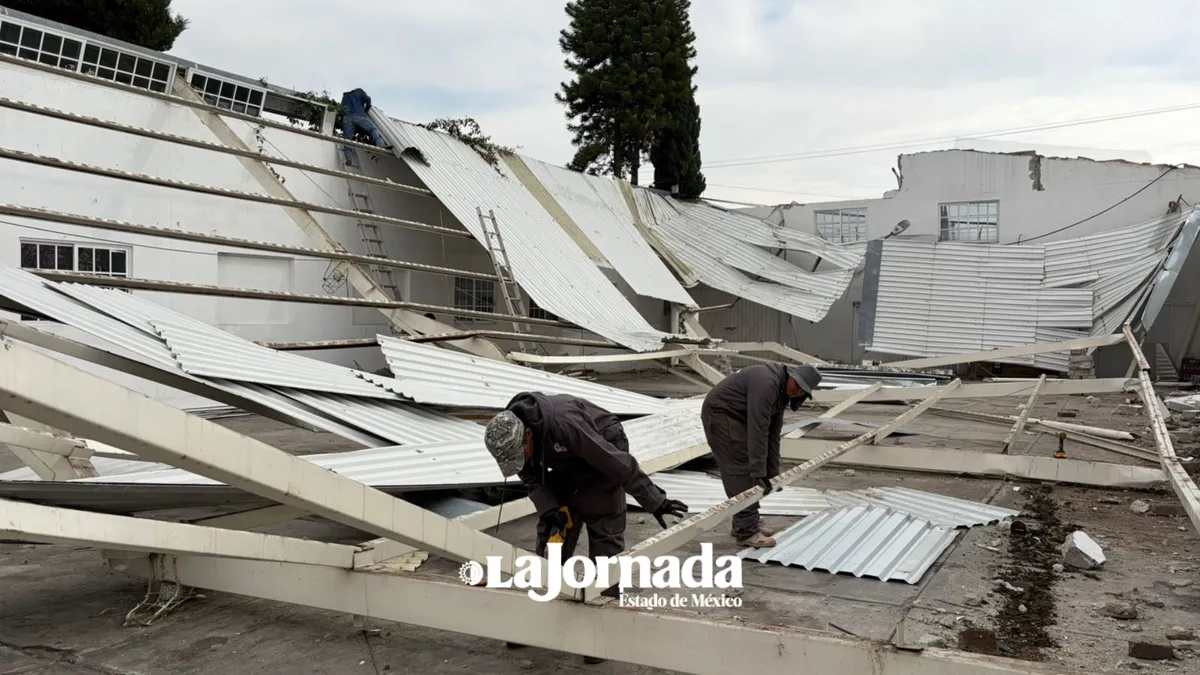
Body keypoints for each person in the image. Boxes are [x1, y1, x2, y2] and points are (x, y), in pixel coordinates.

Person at [485, 392, 688, 665]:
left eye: (518, 455)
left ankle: (601, 629)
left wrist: (654, 500)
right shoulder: (511, 436)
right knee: (552, 537)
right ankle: (538, 613)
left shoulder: (566, 424)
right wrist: (550, 508)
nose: (517, 462)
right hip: (562, 461)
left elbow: (615, 462)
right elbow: (530, 475)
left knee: (604, 531)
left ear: (528, 436)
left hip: (602, 447)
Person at [700, 363, 822, 548]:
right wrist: (758, 470)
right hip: (721, 415)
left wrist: (772, 472)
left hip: (738, 416)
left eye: (802, 391)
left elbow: (773, 434)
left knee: (751, 468)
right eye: (797, 385)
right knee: (740, 468)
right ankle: (747, 531)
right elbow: (758, 428)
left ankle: (746, 522)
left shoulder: (782, 392)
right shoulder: (767, 384)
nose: (797, 391)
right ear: (791, 375)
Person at [339, 87, 392, 165]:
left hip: (347, 118)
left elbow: (341, 110)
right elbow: (368, 99)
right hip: (359, 115)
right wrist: (366, 109)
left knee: (347, 139)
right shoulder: (359, 91)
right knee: (372, 129)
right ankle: (380, 145)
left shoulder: (345, 95)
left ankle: (348, 158)